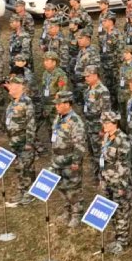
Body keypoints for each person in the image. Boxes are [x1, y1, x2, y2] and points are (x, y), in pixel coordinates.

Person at [97, 111, 132, 252]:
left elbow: (125, 166)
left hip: (118, 182)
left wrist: (121, 186)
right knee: (111, 209)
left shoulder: (122, 140)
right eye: (103, 123)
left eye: (107, 123)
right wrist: (102, 178)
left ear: (115, 123)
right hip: (107, 180)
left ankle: (123, 241)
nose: (104, 125)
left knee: (121, 211)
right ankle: (117, 236)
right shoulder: (107, 136)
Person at [50, 91, 88, 227]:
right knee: (62, 187)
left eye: (59, 104)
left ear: (67, 104)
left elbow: (80, 144)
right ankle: (67, 210)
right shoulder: (59, 118)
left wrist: (76, 161)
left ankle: (77, 214)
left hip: (70, 160)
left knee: (73, 188)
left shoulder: (75, 121)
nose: (56, 106)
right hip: (58, 159)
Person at [3, 75, 37, 203]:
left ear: (20, 86)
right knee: (18, 167)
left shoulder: (26, 102)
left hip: (24, 141)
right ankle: (21, 189)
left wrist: (29, 142)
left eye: (11, 85)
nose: (9, 87)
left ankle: (30, 192)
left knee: (27, 167)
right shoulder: (13, 102)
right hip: (14, 141)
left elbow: (31, 123)